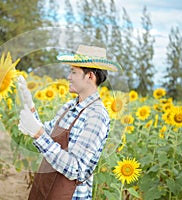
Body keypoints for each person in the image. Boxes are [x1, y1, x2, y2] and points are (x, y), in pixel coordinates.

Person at [17, 45, 122, 200]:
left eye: (73, 72)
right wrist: (30, 105)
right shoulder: (69, 107)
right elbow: (47, 134)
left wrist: (37, 133)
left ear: (90, 76)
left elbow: (76, 168)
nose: (69, 77)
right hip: (45, 187)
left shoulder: (96, 116)